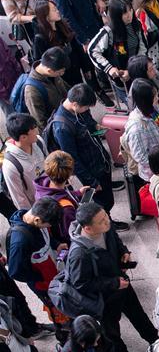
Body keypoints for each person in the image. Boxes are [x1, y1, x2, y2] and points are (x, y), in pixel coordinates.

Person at [66, 202, 159, 352]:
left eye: (106, 217)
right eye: (102, 221)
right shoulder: (79, 254)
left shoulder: (106, 227)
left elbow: (115, 240)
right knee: (111, 332)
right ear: (87, 228)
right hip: (105, 298)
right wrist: (113, 283)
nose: (107, 222)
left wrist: (124, 251)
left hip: (122, 285)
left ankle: (155, 340)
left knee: (138, 315)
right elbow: (81, 284)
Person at [47, 84, 123, 217]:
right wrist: (91, 182)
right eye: (86, 107)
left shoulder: (79, 110)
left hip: (100, 161)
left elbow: (90, 122)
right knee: (101, 203)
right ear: (75, 104)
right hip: (91, 171)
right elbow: (72, 160)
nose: (88, 109)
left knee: (108, 197)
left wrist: (95, 126)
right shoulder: (62, 127)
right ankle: (107, 224)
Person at [87, 0, 148, 100]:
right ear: (116, 15)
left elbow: (142, 46)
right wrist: (109, 68)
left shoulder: (135, 24)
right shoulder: (109, 32)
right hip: (121, 78)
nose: (129, 15)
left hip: (137, 71)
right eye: (124, 13)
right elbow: (92, 50)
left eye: (130, 10)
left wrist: (134, 69)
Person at [6, 197, 63, 311]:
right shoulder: (20, 242)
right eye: (48, 225)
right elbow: (15, 272)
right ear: (37, 220)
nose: (49, 227)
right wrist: (39, 277)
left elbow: (44, 233)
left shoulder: (35, 219)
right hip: (42, 283)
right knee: (55, 306)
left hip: (51, 270)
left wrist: (56, 245)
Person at [121, 78, 159, 184]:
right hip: (157, 174)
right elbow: (140, 157)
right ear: (145, 101)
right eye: (154, 96)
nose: (157, 98)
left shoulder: (157, 105)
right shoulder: (136, 127)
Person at [31, 0, 96, 91]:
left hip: (76, 72)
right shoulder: (40, 38)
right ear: (46, 15)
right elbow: (42, 64)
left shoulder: (62, 26)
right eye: (54, 10)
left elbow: (77, 48)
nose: (57, 11)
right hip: (61, 80)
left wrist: (86, 67)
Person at [33, 150, 86, 245]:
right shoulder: (66, 208)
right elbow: (72, 233)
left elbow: (59, 193)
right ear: (69, 174)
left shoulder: (43, 186)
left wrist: (77, 193)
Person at [2, 113, 48, 211]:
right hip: (41, 210)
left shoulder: (39, 142)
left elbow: (50, 164)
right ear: (23, 137)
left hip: (55, 195)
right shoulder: (10, 165)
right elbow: (19, 199)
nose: (37, 131)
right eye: (34, 129)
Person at [22, 46, 69, 129]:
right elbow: (40, 122)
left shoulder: (52, 69)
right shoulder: (32, 91)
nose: (62, 74)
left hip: (68, 118)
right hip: (59, 129)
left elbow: (65, 89)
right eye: (60, 72)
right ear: (50, 71)